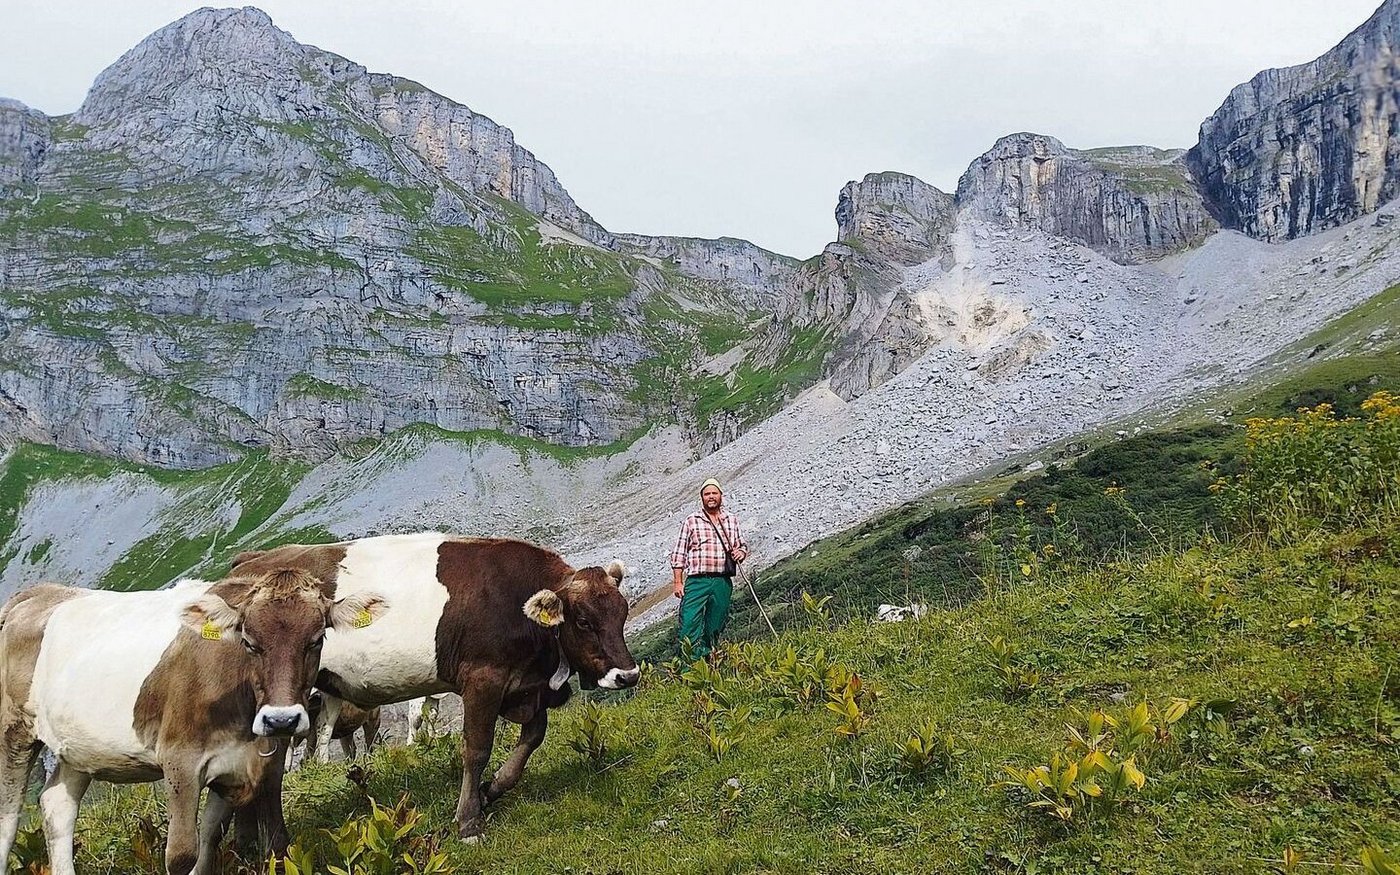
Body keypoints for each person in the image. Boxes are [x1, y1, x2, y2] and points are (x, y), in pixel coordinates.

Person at [668, 477, 749, 661]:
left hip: (722, 581)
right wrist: (678, 582)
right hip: (697, 580)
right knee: (689, 622)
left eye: (714, 493)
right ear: (702, 498)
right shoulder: (692, 521)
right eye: (707, 494)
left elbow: (741, 545)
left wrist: (741, 552)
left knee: (715, 624)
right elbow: (679, 552)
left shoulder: (731, 520)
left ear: (721, 495)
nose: (711, 497)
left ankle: (707, 661)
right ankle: (688, 665)